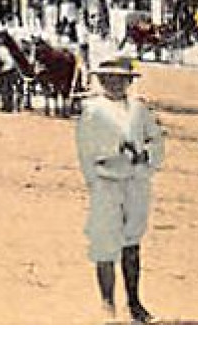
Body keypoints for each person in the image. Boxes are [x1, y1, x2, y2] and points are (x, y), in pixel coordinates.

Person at [75, 56, 165, 323]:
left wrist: (146, 155)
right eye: (109, 79)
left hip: (135, 182)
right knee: (104, 242)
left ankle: (134, 303)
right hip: (106, 183)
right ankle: (107, 304)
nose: (115, 84)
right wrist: (113, 153)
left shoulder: (139, 110)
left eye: (120, 79)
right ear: (101, 81)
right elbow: (86, 149)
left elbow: (156, 139)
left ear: (128, 82)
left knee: (132, 240)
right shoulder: (92, 110)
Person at [0, 30, 23, 113]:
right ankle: (8, 105)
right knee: (7, 89)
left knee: (7, 89)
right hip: (10, 69)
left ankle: (8, 106)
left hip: (8, 70)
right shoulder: (2, 48)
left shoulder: (0, 49)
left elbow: (7, 61)